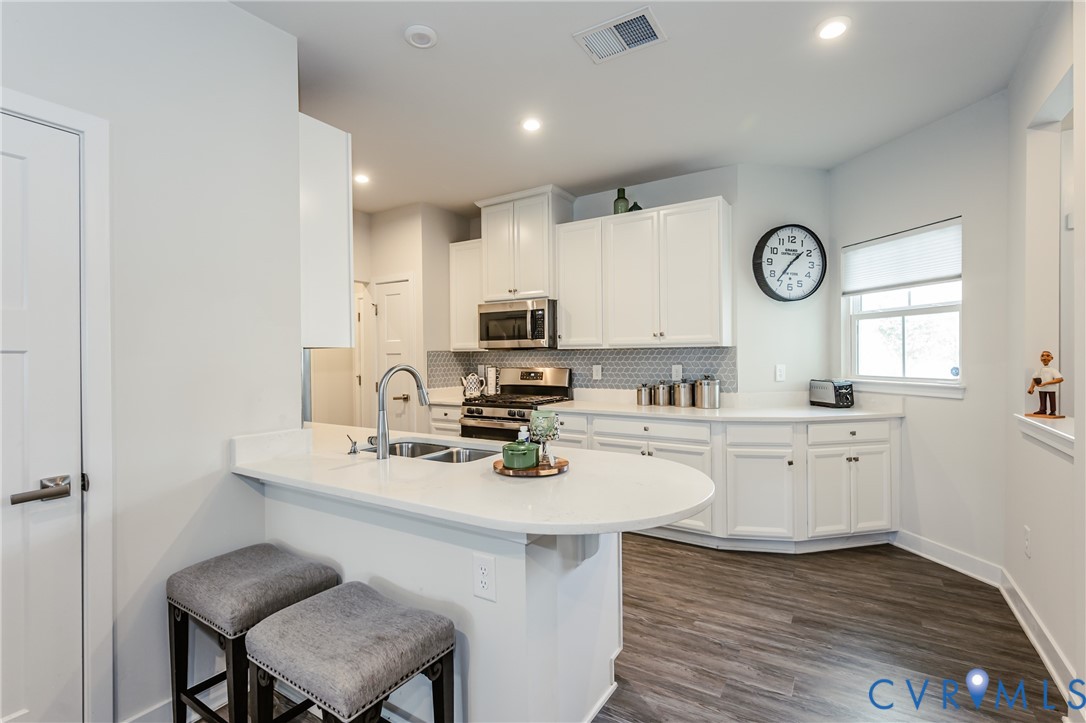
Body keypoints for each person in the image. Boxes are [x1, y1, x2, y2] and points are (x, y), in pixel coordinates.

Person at [1027, 350, 1063, 416]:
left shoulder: (1053, 370)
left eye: (1047, 356)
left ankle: (1053, 411)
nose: (1044, 358)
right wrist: (1031, 388)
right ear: (1040, 358)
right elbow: (1034, 378)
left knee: (1052, 400)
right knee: (1042, 399)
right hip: (1041, 388)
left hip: (1051, 388)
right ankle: (1042, 410)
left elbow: (1060, 379)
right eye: (1042, 356)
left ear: (1051, 358)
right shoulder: (1039, 370)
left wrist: (1046, 383)